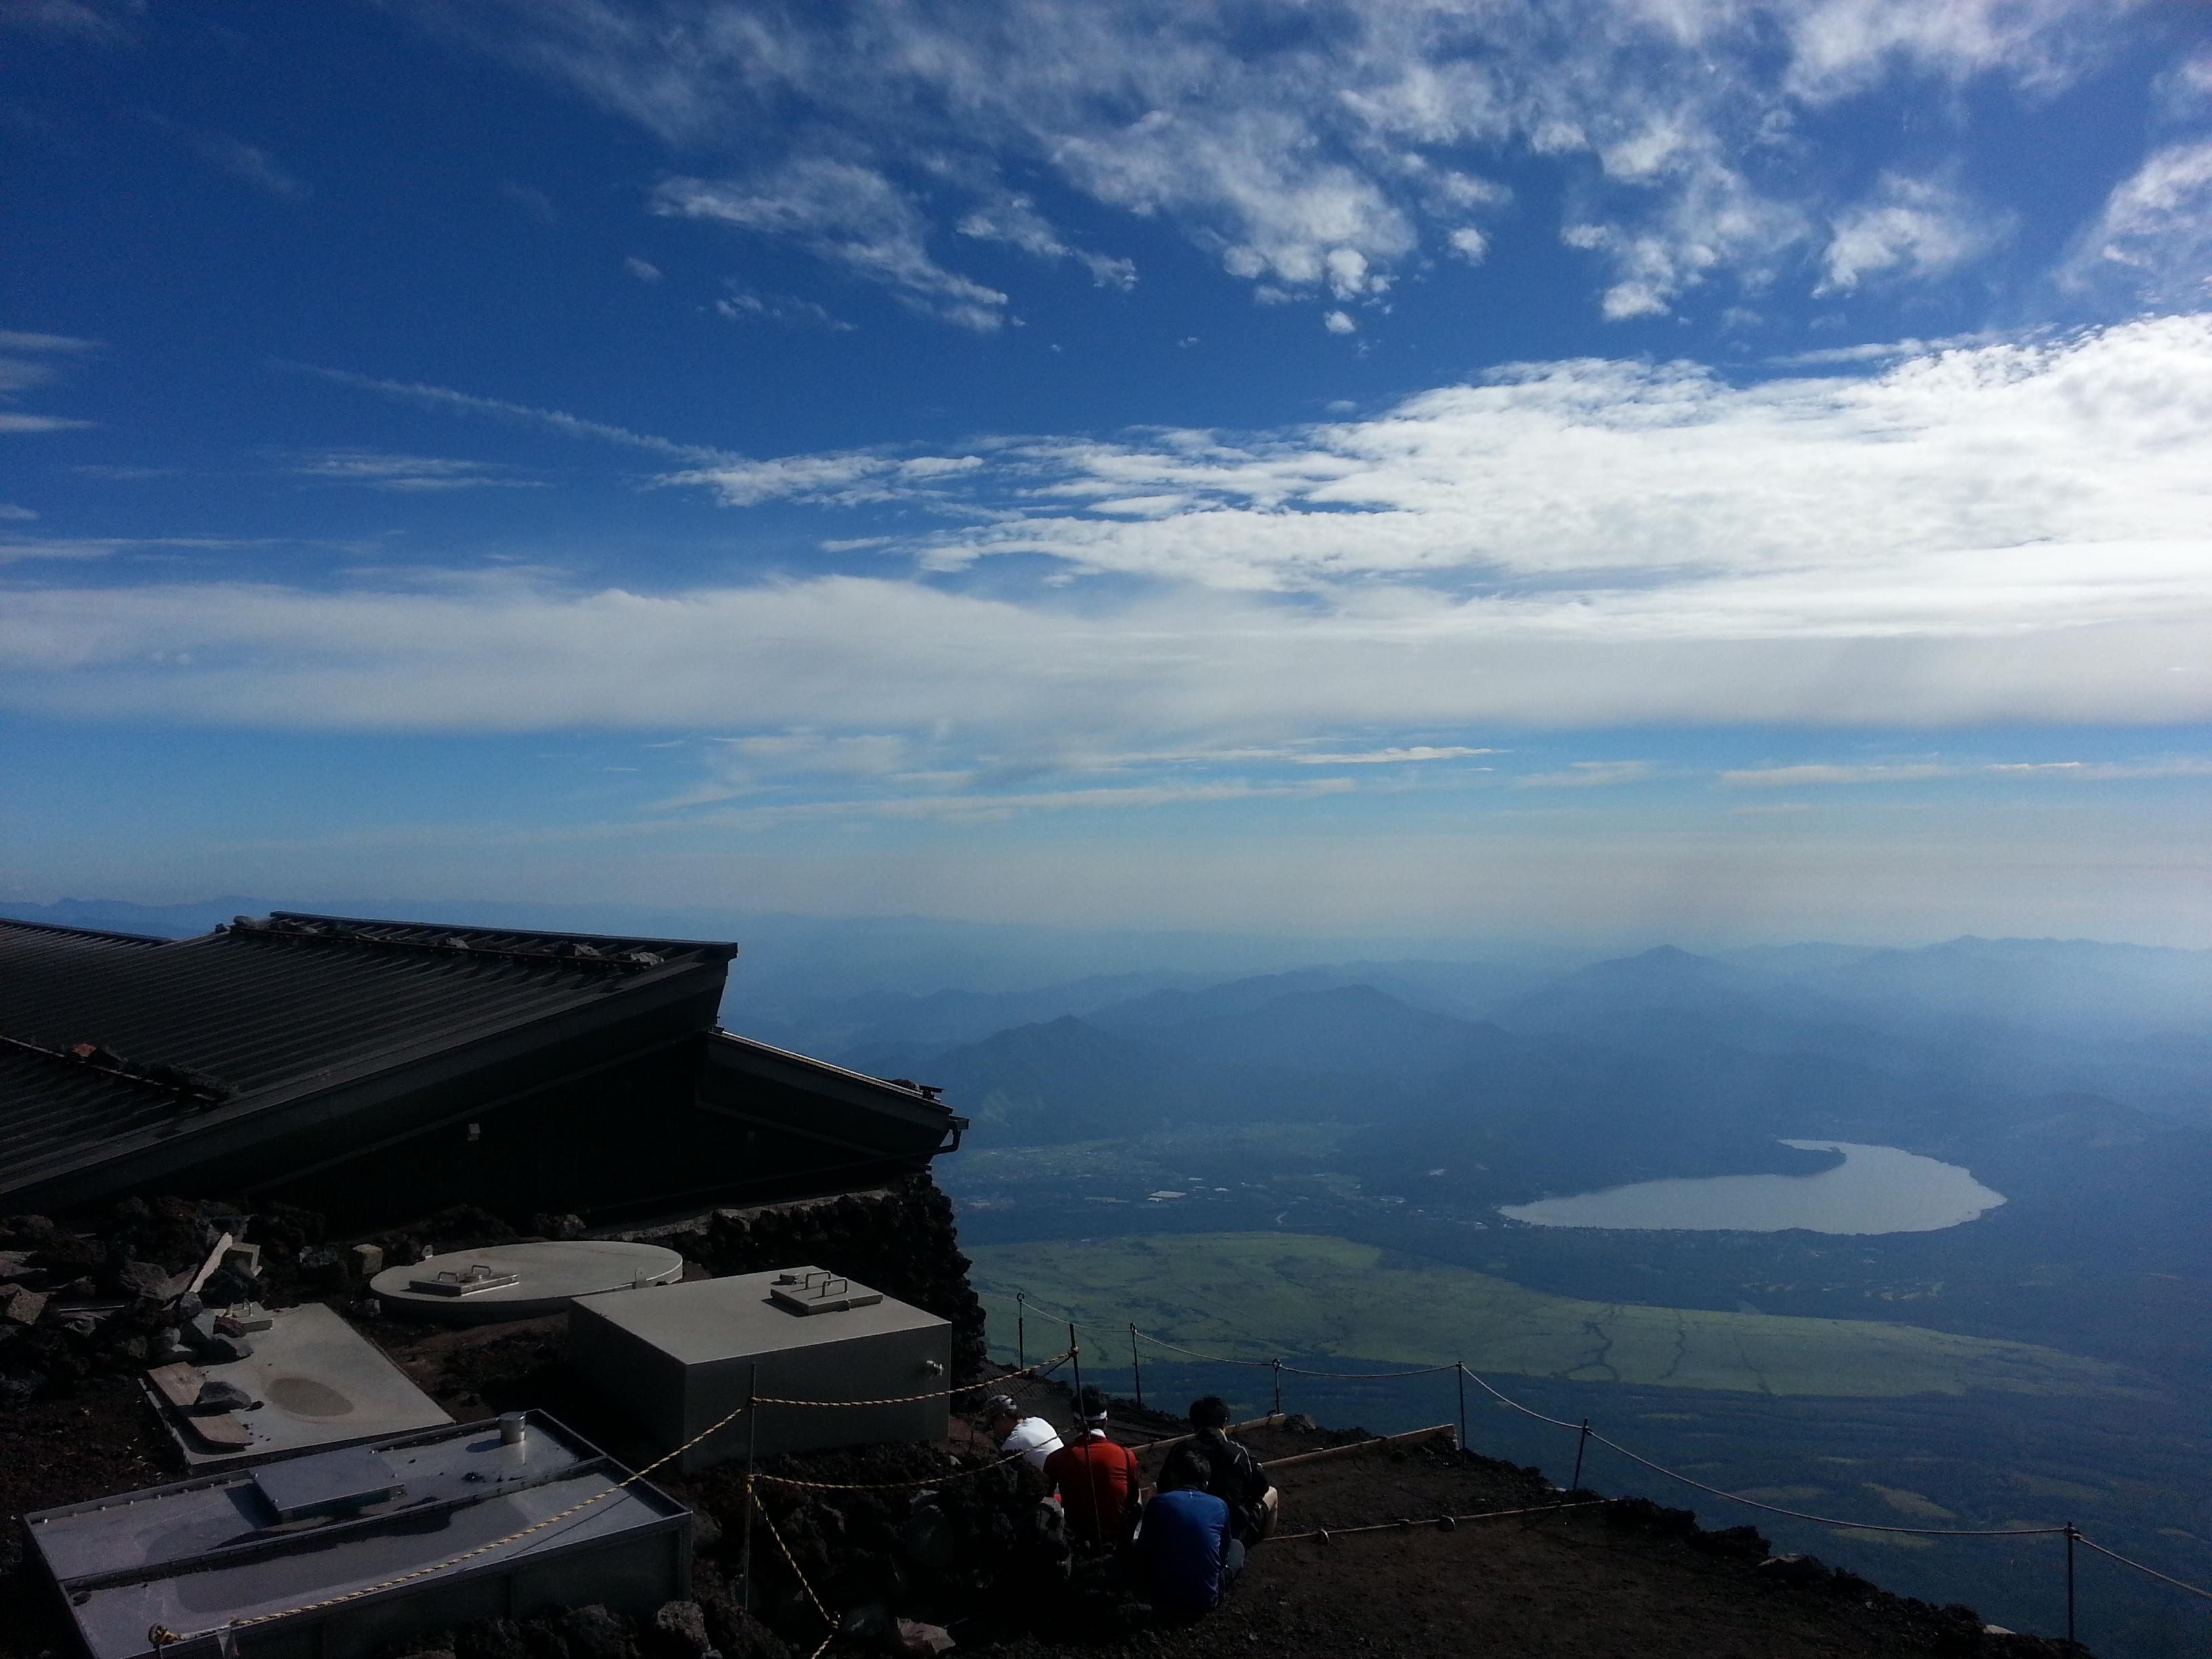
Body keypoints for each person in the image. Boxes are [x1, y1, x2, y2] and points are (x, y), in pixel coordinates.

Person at [1136, 1446, 1243, 1617]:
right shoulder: (1220, 1506)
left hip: (1160, 1597)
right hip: (1206, 1600)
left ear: (1173, 1477)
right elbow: (1223, 1555)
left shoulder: (1158, 1502)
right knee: (1237, 1546)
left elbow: (1143, 1550)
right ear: (1206, 1484)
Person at [1042, 1386, 1141, 1544]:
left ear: (1075, 1422)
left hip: (1075, 1542)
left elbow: (1045, 1499)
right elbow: (1132, 1500)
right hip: (1116, 1543)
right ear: (1105, 1422)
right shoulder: (1127, 1456)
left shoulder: (1057, 1458)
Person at [1186, 1395, 1277, 1545]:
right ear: (1225, 1422)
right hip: (1231, 1533)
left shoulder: (1180, 1451)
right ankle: (1261, 1545)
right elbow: (1262, 1487)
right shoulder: (1238, 1453)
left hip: (1187, 1527)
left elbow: (1162, 1487)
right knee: (1272, 1493)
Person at [981, 1392, 1064, 1472]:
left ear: (1003, 1418)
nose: (994, 1431)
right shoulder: (1039, 1421)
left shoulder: (1012, 1444)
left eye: (992, 1425)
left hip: (1058, 1485)